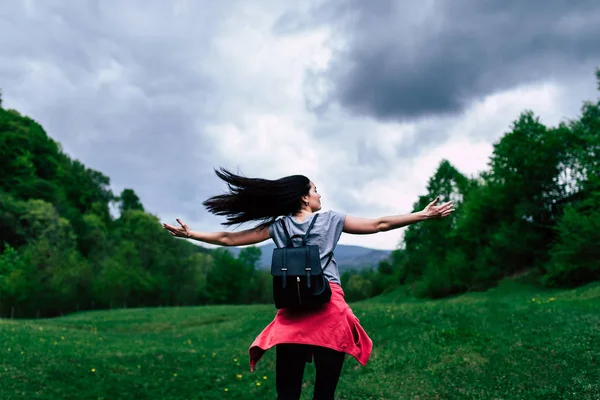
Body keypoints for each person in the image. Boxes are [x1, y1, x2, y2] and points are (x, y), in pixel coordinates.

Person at [162, 168, 454, 400]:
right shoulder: (331, 220)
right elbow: (379, 225)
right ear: (304, 198)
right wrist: (422, 215)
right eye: (315, 189)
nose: (319, 194)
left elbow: (229, 239)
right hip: (330, 311)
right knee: (324, 395)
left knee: (287, 394)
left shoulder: (278, 226)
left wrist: (192, 234)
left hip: (292, 314)